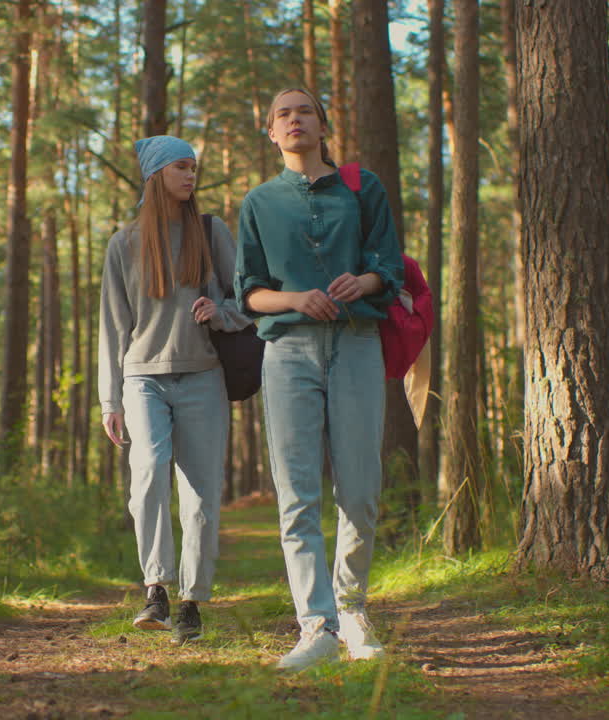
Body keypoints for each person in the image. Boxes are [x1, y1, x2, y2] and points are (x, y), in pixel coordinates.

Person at [235, 88, 404, 671]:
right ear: (271, 133)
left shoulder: (363, 189)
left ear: (323, 126)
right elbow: (249, 292)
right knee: (297, 494)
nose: (294, 119)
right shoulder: (258, 202)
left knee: (360, 491)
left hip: (356, 343)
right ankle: (317, 627)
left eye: (304, 110)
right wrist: (296, 299)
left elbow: (389, 263)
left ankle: (352, 610)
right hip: (287, 352)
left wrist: (365, 282)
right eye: (282, 114)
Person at [98, 135, 248, 645]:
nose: (190, 175)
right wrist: (110, 400)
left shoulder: (210, 231)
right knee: (147, 475)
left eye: (193, 167)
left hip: (203, 374)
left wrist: (220, 312)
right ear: (155, 174)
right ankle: (155, 589)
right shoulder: (124, 244)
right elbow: (113, 327)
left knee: (201, 493)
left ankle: (191, 602)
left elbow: (247, 297)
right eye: (181, 166)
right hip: (142, 378)